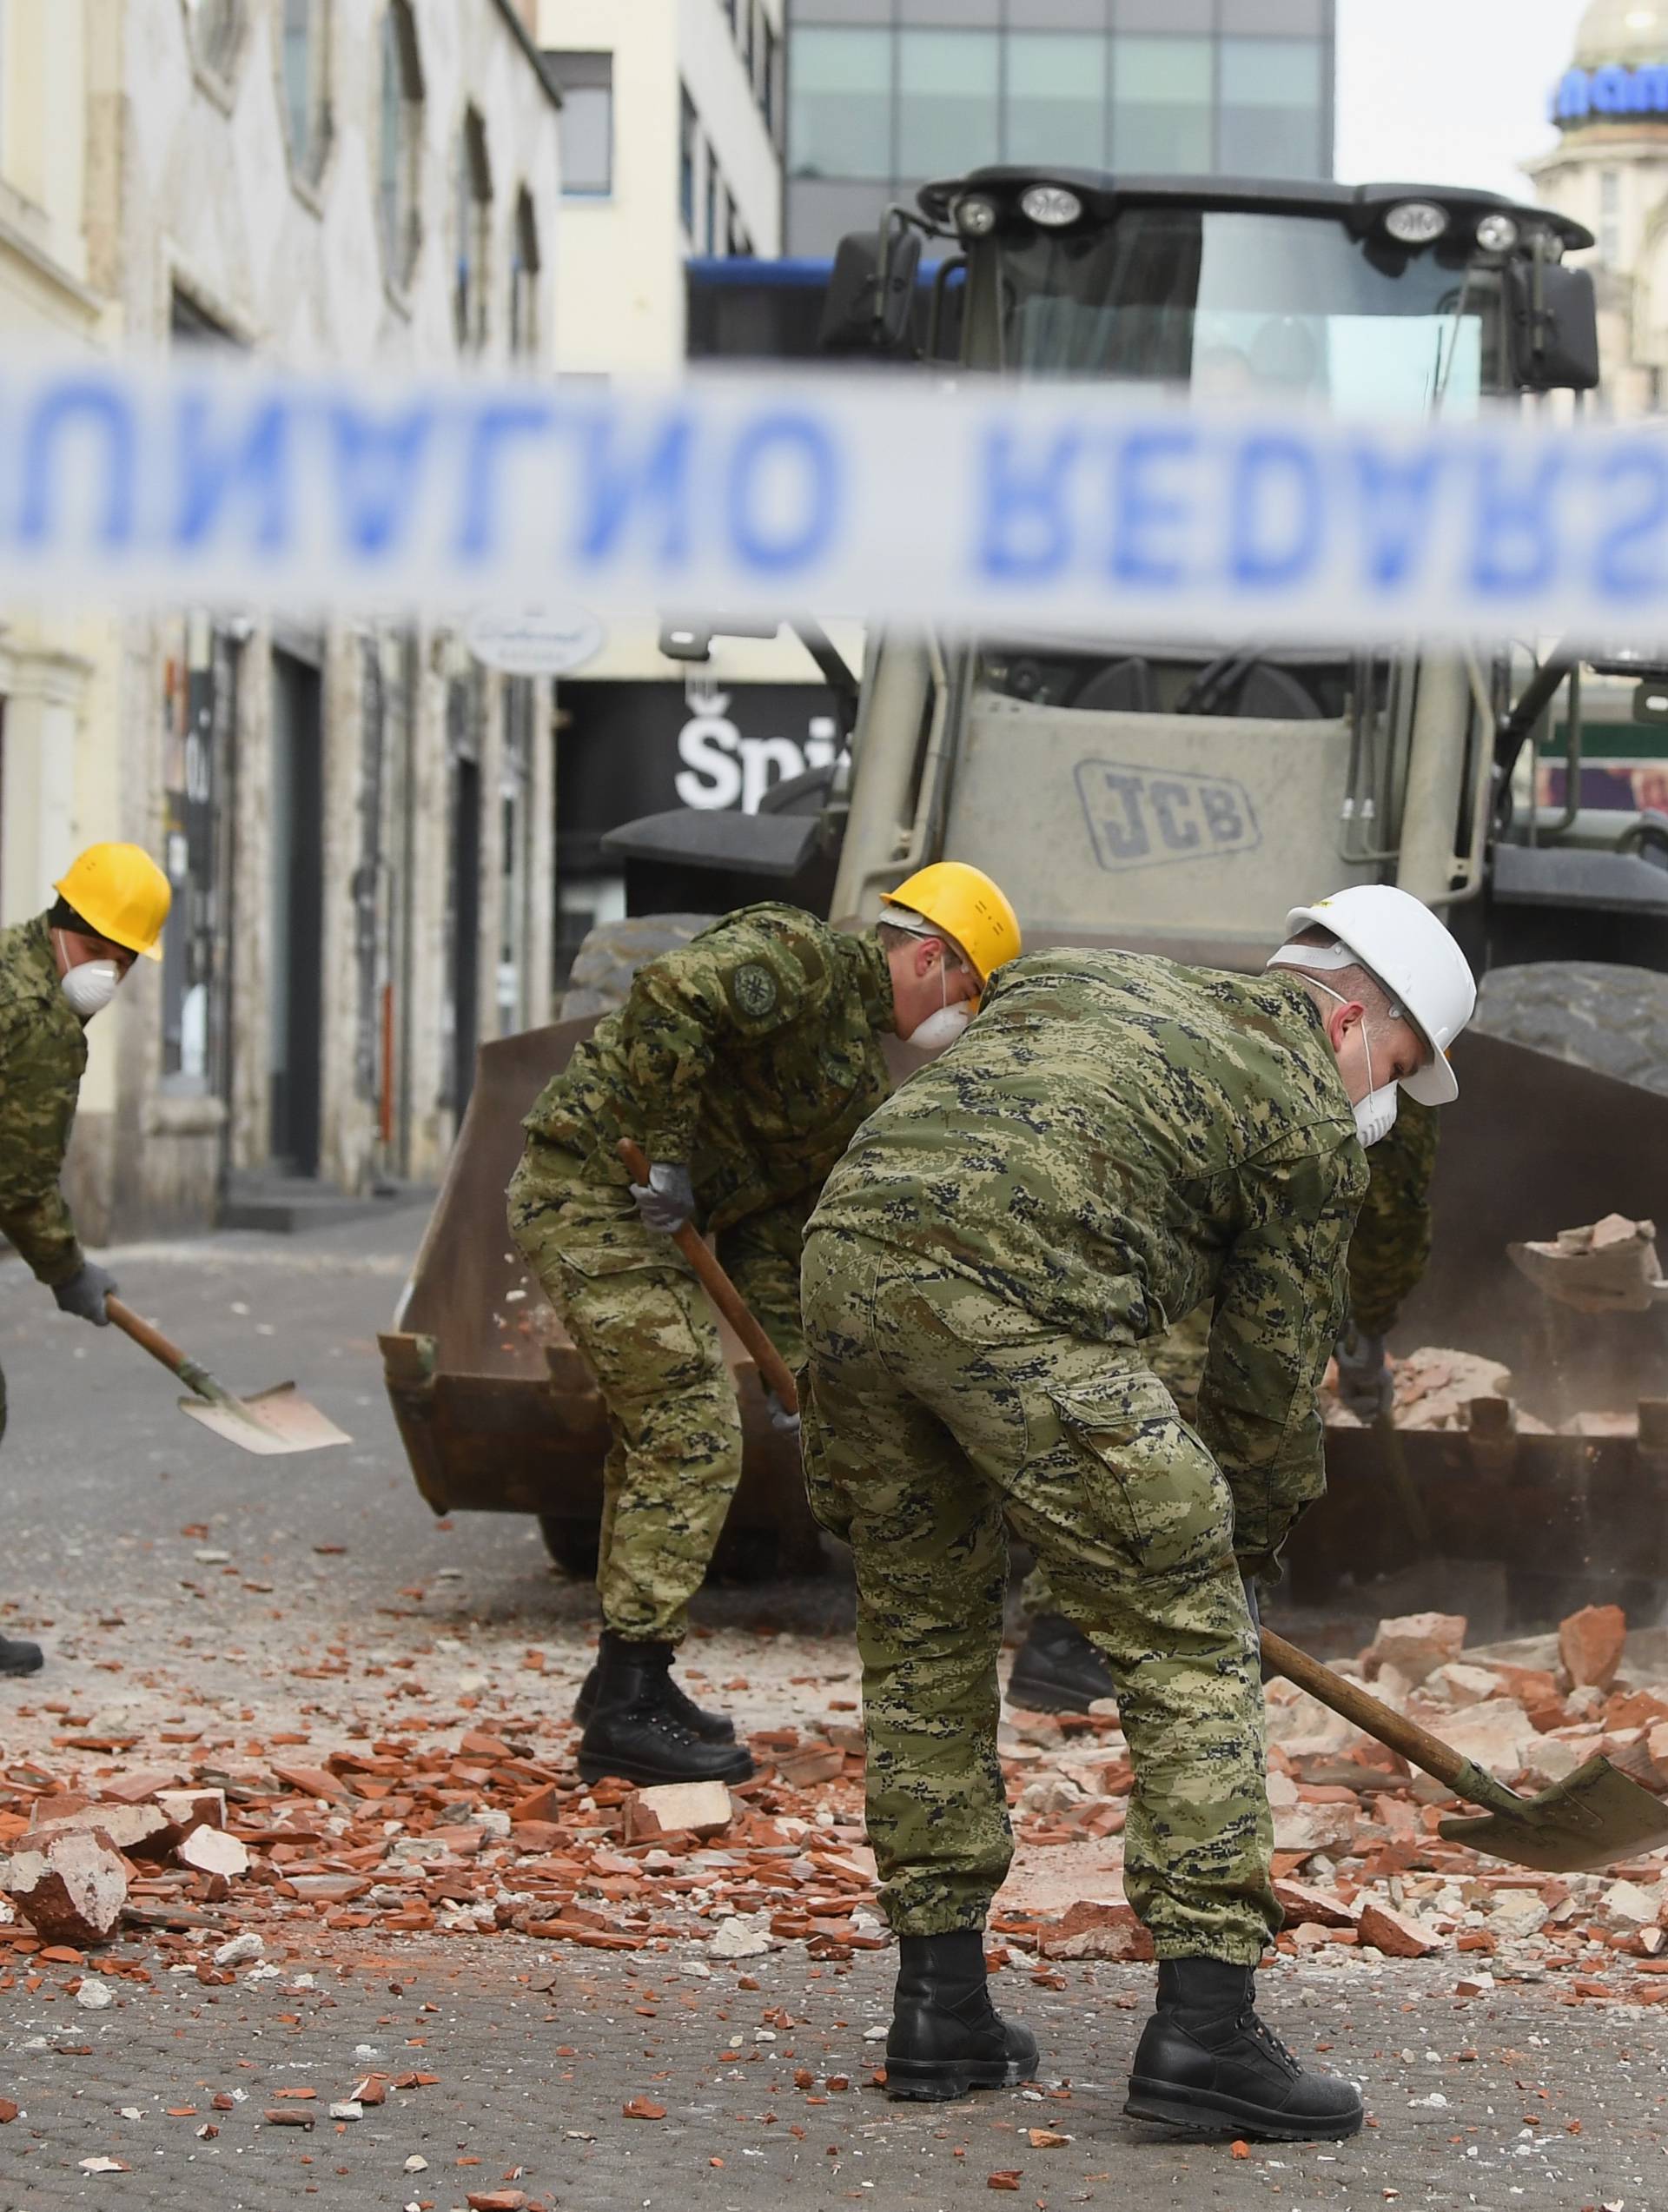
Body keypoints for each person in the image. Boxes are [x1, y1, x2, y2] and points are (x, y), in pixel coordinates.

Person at [799, 885, 1475, 2137]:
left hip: (844, 1262)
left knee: (924, 1626)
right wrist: (1245, 1552)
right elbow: (1264, 1391)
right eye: (1396, 1063)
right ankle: (1207, 2033)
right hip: (1011, 1292)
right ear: (1346, 1016)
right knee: (1189, 1634)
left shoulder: (1077, 976)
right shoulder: (1306, 1128)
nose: (1382, 1097)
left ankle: (939, 2009)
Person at [509, 865, 1022, 1789]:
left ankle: (618, 1681)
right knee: (693, 1432)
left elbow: (772, 1240)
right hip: (588, 1185)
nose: (962, 1019)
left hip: (645, 1226)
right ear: (932, 956)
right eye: (969, 995)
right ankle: (630, 1703)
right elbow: (672, 993)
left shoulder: (853, 1086)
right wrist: (668, 1151)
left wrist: (802, 1384)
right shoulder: (800, 957)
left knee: (662, 1432)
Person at [1010, 1103, 1440, 1710]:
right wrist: (1370, 1323)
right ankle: (1084, 1644)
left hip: (1109, 1223)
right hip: (1206, 1246)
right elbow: (1391, 1209)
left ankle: (1111, 1640)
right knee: (1180, 1418)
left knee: (1130, 1410)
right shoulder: (1400, 1047)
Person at [0, 844, 172, 1676]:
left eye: (127, 960)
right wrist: (68, 1270)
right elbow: (21, 1179)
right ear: (88, 944)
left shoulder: (10, 958)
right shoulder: (37, 1019)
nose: (118, 973)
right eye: (116, 955)